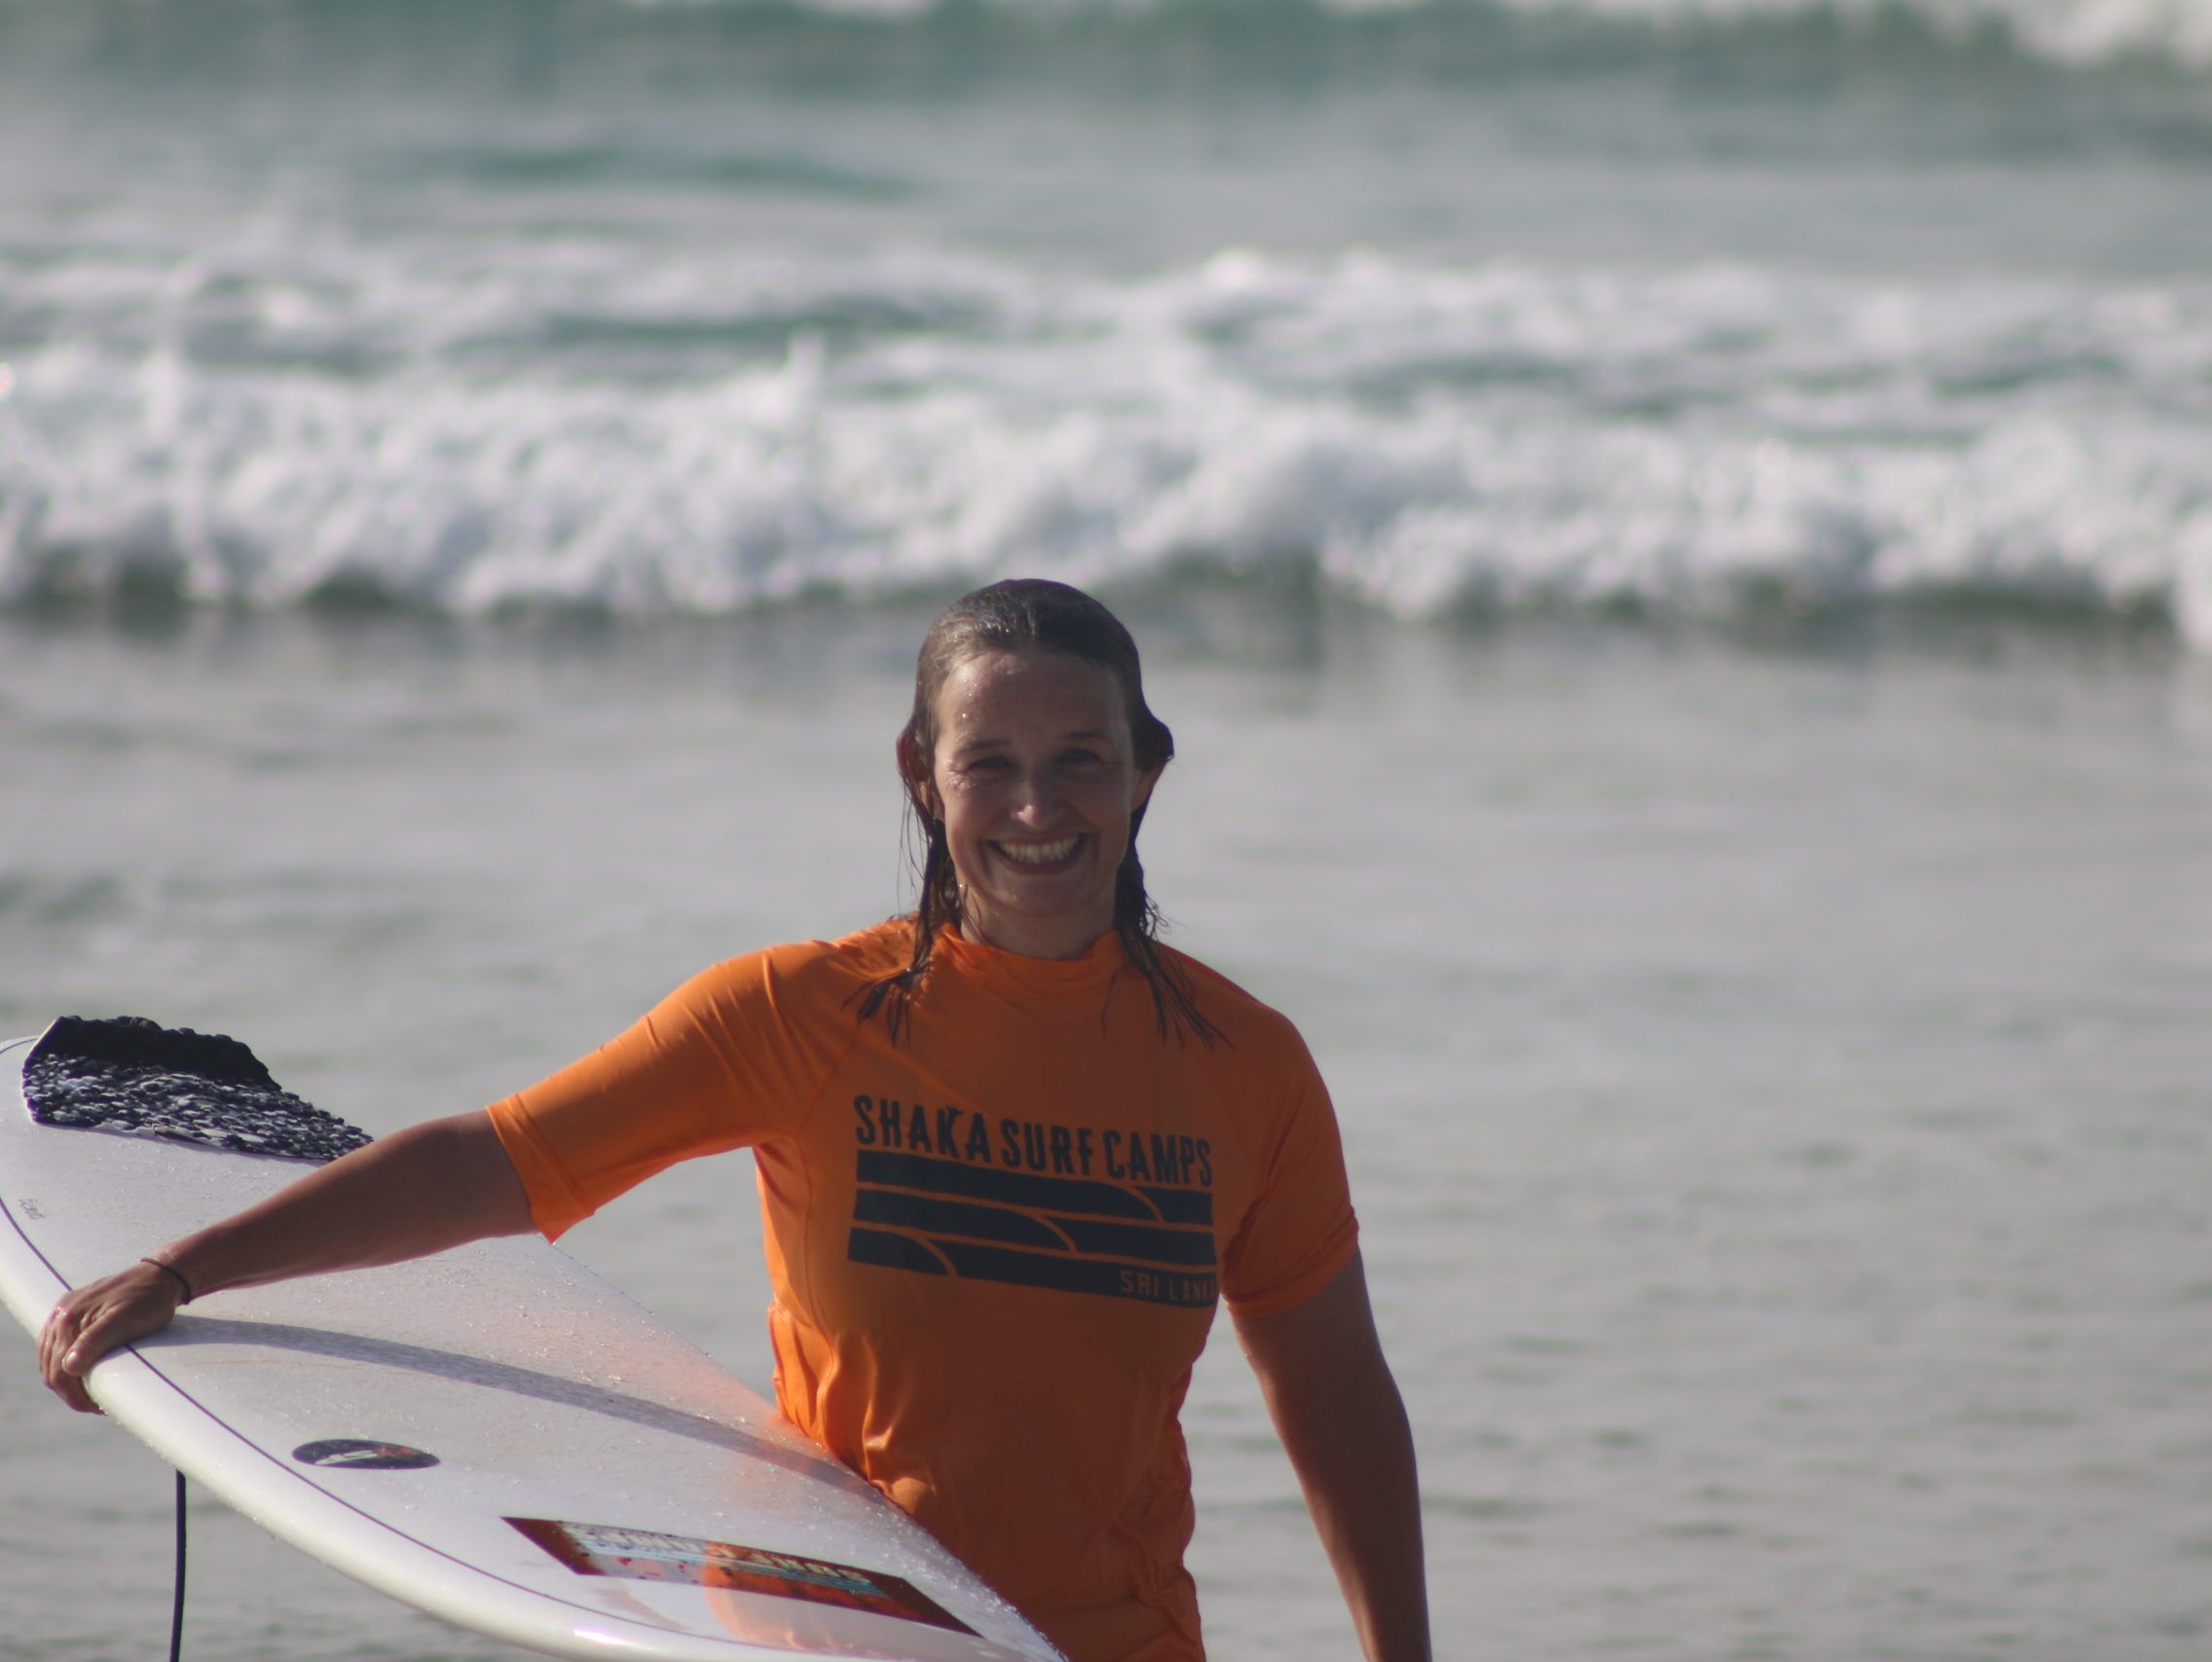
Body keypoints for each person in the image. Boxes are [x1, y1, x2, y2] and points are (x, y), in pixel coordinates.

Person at [40, 578, 1431, 1662]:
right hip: (842, 1632)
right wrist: (187, 1268)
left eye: (1080, 759)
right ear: (919, 772)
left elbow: (1336, 1397)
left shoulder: (1247, 1067)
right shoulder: (801, 1017)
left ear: (1147, 772)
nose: (1034, 807)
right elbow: (498, 1162)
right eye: (988, 761)